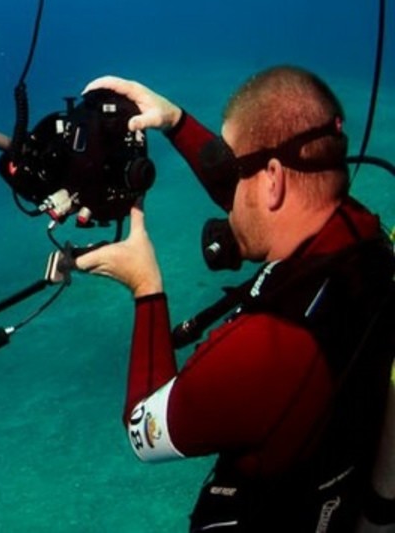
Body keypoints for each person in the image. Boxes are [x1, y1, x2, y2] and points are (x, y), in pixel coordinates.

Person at [73, 66, 394, 531]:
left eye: (230, 163)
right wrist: (176, 122)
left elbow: (144, 431)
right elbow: (260, 201)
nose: (225, 178)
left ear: (272, 180)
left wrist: (146, 288)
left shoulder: (262, 352)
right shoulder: (363, 237)